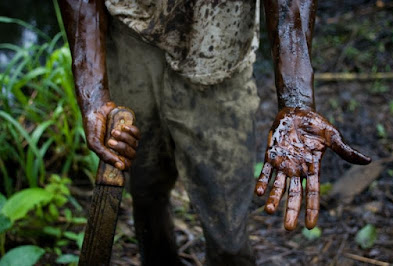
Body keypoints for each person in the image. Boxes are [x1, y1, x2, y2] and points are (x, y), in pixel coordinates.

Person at [59, 0, 371, 265]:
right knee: (146, 191)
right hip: (130, 31)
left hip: (219, 44)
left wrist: (296, 98)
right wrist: (93, 93)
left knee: (229, 237)